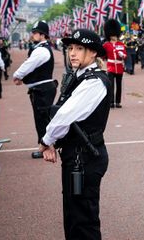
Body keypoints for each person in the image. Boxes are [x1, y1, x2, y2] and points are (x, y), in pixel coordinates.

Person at [39, 29, 111, 240]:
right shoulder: (79, 77)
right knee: (73, 216)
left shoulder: (94, 81)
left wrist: (46, 141)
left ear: (94, 53)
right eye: (70, 48)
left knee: (83, 221)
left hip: (85, 157)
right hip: (77, 155)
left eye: (80, 48)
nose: (72, 53)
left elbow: (64, 116)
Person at [13, 21, 57, 159]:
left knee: (42, 120)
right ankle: (45, 146)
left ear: (42, 35)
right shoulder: (40, 48)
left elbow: (28, 65)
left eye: (35, 32)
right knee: (42, 119)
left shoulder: (41, 50)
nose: (32, 35)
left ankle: (45, 148)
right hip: (41, 89)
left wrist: (17, 75)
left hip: (42, 89)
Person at [103, 18, 126, 108]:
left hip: (119, 67)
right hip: (111, 67)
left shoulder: (121, 44)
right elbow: (103, 56)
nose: (114, 36)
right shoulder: (106, 45)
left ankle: (118, 102)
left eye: (115, 35)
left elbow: (125, 55)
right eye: (112, 35)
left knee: (119, 85)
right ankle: (111, 102)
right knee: (111, 85)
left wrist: (122, 55)